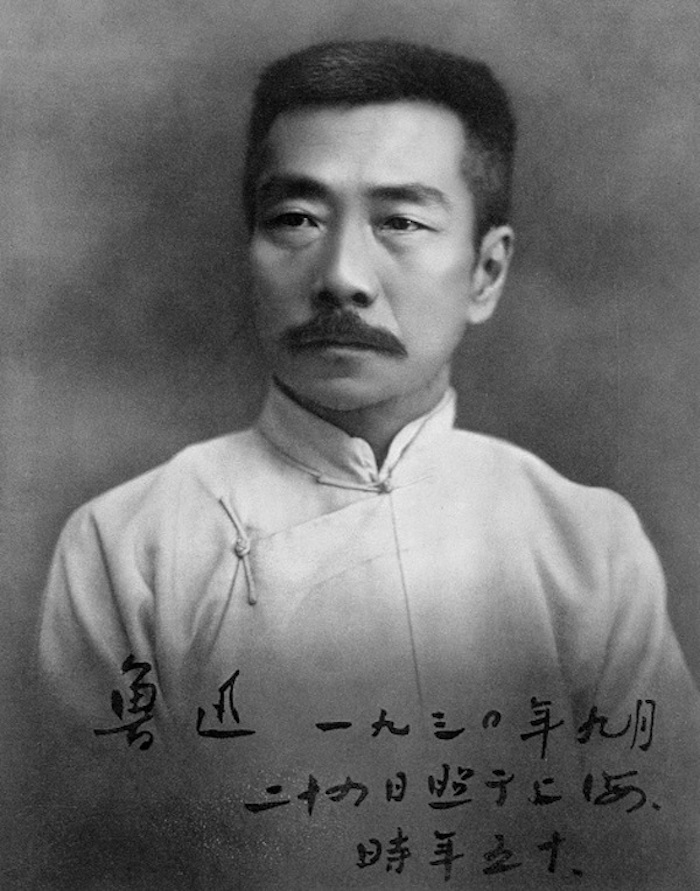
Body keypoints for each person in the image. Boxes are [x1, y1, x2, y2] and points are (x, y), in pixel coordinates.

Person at [37, 40, 699, 889]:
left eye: (401, 222)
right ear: (250, 248)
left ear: (486, 271)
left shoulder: (586, 545)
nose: (342, 278)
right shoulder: (127, 546)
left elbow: (660, 850)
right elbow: (90, 856)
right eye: (296, 219)